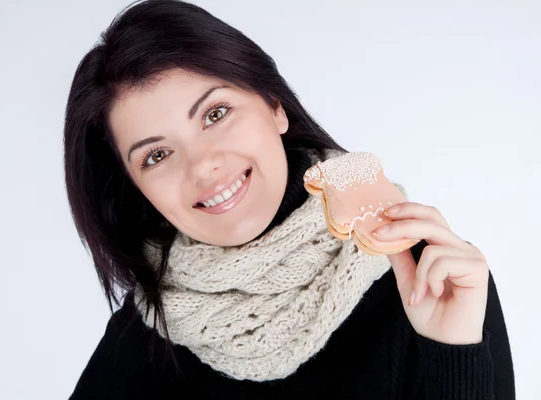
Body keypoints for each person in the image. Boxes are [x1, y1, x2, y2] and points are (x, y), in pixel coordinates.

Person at [64, 1, 515, 398]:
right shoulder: (147, 333)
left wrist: (455, 354)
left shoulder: (436, 281)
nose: (202, 166)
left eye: (215, 114)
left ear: (274, 105)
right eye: (157, 155)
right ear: (134, 186)